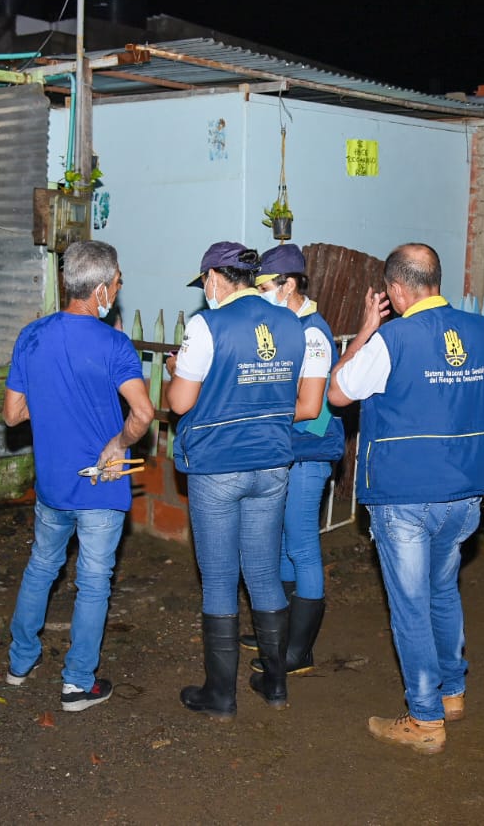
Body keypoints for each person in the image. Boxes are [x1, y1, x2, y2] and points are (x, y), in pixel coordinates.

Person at [328, 243, 484, 755]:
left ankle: (425, 718)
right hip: (465, 494)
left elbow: (338, 393)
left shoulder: (392, 339)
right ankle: (452, 692)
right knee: (442, 590)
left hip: (405, 497)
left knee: (410, 606)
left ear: (395, 289)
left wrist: (365, 330)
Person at [2, 240, 155, 712]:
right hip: (101, 485)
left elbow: (12, 415)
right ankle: (76, 684)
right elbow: (143, 413)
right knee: (93, 583)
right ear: (101, 288)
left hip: (52, 484)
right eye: (118, 282)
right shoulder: (114, 344)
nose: (120, 288)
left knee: (42, 566)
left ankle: (19, 663)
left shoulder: (32, 335)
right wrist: (118, 444)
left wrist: (54, 406)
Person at [167, 241, 307, 720]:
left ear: (212, 278)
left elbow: (180, 403)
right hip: (273, 463)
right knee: (264, 571)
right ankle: (275, 684)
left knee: (220, 579)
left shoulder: (207, 325)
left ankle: (220, 695)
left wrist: (176, 370)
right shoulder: (291, 323)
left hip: (218, 466)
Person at [240, 244, 345, 677]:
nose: (261, 294)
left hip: (309, 448)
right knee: (284, 540)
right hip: (286, 446)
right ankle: (279, 633)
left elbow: (309, 405)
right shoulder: (283, 326)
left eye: (266, 286)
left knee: (301, 543)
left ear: (291, 284)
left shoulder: (312, 332)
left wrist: (257, 414)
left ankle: (299, 650)